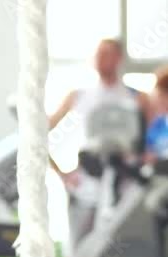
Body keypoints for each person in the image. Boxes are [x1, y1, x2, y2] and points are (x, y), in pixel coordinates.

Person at [47, 38, 154, 246]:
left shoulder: (137, 98)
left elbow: (150, 143)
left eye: (106, 54)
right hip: (86, 184)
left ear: (118, 58)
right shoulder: (78, 96)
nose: (100, 59)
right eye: (98, 54)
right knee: (81, 247)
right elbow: (41, 133)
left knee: (121, 247)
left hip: (125, 185)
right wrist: (61, 173)